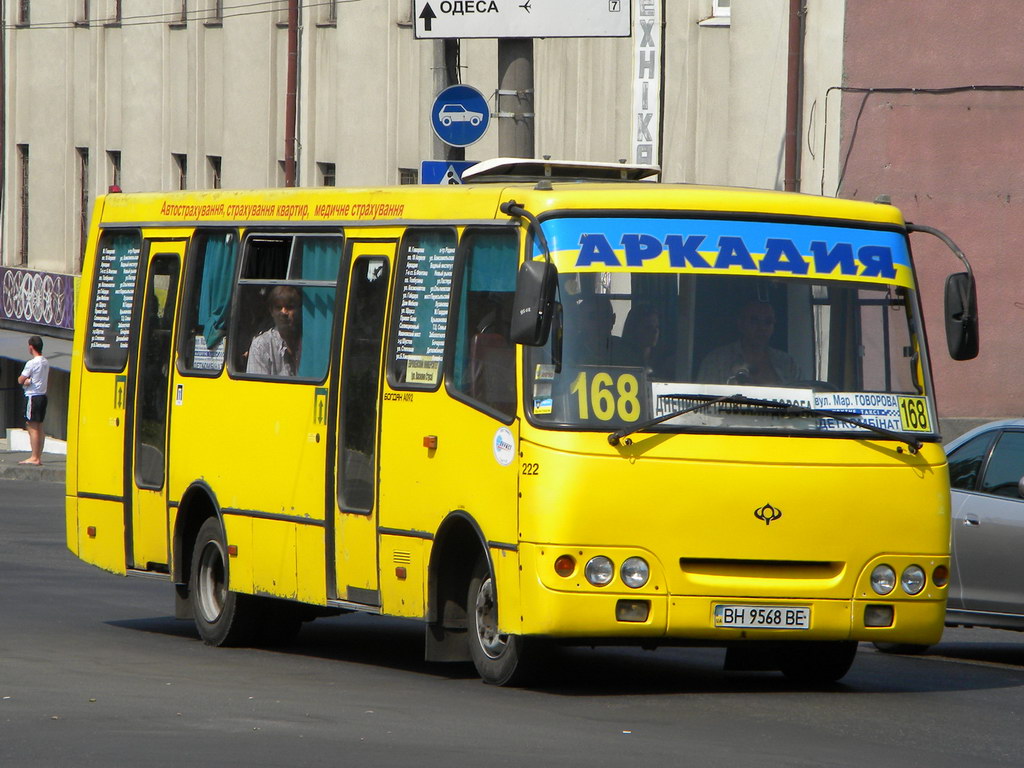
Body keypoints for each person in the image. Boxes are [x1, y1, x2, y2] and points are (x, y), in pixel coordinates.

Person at [698, 300, 800, 385]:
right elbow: (703, 401)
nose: (762, 328)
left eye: (768, 322)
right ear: (741, 323)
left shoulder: (787, 364)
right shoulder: (716, 361)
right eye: (754, 321)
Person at [246, 285, 303, 376]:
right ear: (271, 311)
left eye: (289, 307)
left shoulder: (308, 342)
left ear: (298, 310)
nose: (284, 312)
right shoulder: (261, 345)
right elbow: (257, 387)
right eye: (278, 307)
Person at [18, 335, 49, 465]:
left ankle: (34, 456)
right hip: (42, 395)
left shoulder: (32, 363)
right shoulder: (45, 361)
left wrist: (27, 381)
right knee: (39, 426)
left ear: (31, 347)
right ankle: (38, 456)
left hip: (33, 396)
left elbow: (20, 379)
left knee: (32, 426)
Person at [567, 293, 616, 366]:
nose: (600, 321)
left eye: (605, 315)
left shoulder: (627, 353)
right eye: (593, 317)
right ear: (580, 321)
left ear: (613, 319)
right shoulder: (567, 353)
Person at [613, 302, 661, 371]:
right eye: (648, 327)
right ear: (633, 328)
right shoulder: (621, 359)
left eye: (657, 327)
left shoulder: (661, 362)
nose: (655, 331)